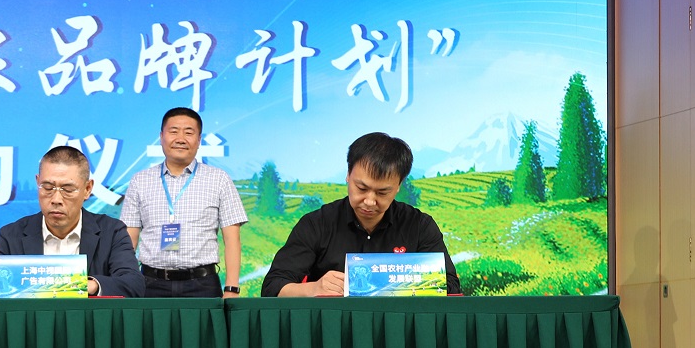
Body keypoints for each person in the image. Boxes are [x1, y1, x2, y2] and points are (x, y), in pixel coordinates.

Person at [262, 131, 461, 297]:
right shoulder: (317, 224)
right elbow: (272, 287)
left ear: (399, 186)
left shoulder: (419, 226)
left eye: (382, 192)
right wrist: (313, 289)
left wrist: (399, 283)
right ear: (348, 175)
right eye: (362, 188)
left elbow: (450, 285)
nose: (369, 201)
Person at [0, 146, 144, 298]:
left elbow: (133, 284)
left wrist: (83, 286)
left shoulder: (111, 232)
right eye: (47, 187)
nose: (56, 199)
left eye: (67, 189)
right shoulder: (11, 236)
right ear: (37, 182)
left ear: (87, 189)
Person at [120, 107, 247, 298]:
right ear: (161, 137)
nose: (180, 139)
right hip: (150, 284)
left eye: (189, 132)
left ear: (199, 139)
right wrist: (124, 283)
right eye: (173, 131)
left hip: (202, 285)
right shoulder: (140, 180)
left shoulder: (219, 179)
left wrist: (232, 288)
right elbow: (129, 239)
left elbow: (232, 240)